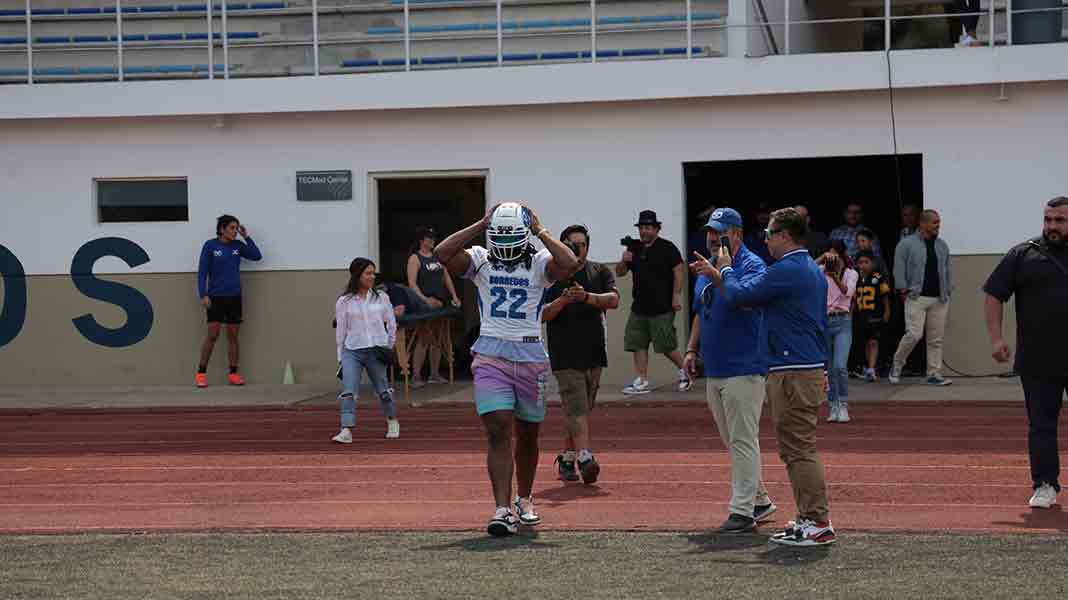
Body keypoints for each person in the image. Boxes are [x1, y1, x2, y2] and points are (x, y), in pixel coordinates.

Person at [435, 202, 579, 537]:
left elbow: (570, 264)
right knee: (498, 428)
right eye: (497, 235)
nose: (504, 243)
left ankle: (524, 499)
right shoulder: (481, 259)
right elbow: (443, 253)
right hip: (491, 352)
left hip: (530, 354)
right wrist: (482, 222)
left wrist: (540, 230)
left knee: (528, 435)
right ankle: (501, 509)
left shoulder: (541, 261)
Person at [700, 206, 836, 546]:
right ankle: (807, 517)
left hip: (793, 370)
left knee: (799, 449)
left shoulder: (787, 269)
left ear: (785, 236)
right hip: (796, 367)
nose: (766, 240)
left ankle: (817, 521)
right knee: (795, 449)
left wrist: (726, 269)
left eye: (770, 234)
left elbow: (739, 295)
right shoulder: (804, 269)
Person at [685, 208, 778, 533]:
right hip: (718, 367)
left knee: (742, 439)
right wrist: (691, 349)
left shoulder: (752, 265)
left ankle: (742, 511)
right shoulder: (706, 267)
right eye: (711, 231)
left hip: (744, 365)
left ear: (737, 233)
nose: (713, 237)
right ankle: (760, 500)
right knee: (733, 440)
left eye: (720, 232)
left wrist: (719, 274)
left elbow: (745, 300)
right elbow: (700, 310)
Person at [983, 197, 1068, 509]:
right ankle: (1045, 484)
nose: (1052, 226)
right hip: (1037, 359)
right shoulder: (1022, 254)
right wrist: (996, 339)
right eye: (1048, 220)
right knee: (1041, 425)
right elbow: (993, 295)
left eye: (1059, 220)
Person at [542, 225, 620, 485]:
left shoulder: (599, 271)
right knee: (576, 407)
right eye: (572, 245)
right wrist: (563, 300)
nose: (578, 249)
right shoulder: (550, 275)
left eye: (582, 245)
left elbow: (614, 300)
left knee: (581, 409)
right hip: (564, 354)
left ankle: (566, 457)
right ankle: (585, 458)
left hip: (594, 351)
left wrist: (586, 297)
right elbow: (541, 314)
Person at [616, 210, 691, 395]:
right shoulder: (634, 247)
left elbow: (679, 271)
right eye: (641, 227)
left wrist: (676, 295)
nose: (644, 231)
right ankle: (641, 379)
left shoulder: (667, 248)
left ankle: (686, 372)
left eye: (648, 227)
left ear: (657, 229)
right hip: (639, 306)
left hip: (662, 307)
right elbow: (619, 272)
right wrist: (623, 261)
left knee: (666, 345)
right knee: (637, 342)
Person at [332, 257, 401, 443]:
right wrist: (341, 356)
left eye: (373, 273)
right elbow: (341, 330)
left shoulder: (382, 298)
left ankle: (392, 420)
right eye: (368, 273)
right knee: (349, 391)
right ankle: (346, 429)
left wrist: (389, 346)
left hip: (376, 350)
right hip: (352, 350)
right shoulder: (344, 301)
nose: (372, 277)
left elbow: (392, 324)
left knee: (384, 390)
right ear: (357, 275)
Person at [195, 215, 262, 388]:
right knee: (213, 334)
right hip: (215, 297)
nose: (235, 232)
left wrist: (246, 236)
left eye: (236, 228)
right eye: (232, 228)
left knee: (233, 335)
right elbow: (202, 272)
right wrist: (203, 294)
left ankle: (233, 373)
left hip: (234, 297)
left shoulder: (238, 246)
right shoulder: (210, 245)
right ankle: (201, 373)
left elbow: (256, 256)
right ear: (222, 229)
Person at [889, 209, 953, 386]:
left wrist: (948, 290)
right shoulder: (906, 244)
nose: (938, 226)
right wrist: (902, 289)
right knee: (914, 334)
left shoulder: (942, 245)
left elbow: (947, 269)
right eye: (935, 222)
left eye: (938, 222)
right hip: (916, 297)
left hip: (939, 299)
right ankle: (896, 364)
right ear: (923, 224)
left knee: (936, 338)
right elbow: (899, 267)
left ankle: (934, 373)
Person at [406, 226, 462, 388]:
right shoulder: (415, 259)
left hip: (440, 303)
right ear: (421, 241)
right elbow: (412, 284)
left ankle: (434, 374)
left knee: (438, 339)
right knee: (424, 339)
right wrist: (424, 300)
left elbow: (446, 277)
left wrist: (454, 296)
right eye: (428, 238)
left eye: (433, 238)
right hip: (424, 306)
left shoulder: (437, 257)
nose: (432, 241)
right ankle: (416, 376)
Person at [816, 240, 858, 423]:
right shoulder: (821, 272)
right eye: (830, 257)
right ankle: (832, 404)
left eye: (835, 257)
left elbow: (847, 292)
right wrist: (822, 259)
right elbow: (806, 268)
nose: (832, 260)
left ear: (842, 256)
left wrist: (834, 276)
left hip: (842, 321)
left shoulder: (851, 273)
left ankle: (843, 403)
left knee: (840, 366)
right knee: (830, 369)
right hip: (825, 320)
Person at [853, 250, 892, 383]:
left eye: (866, 262)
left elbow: (885, 296)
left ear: (873, 263)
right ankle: (866, 366)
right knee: (864, 342)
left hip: (874, 314)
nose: (863, 265)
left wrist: (887, 311)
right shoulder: (856, 278)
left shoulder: (877, 277)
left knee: (873, 341)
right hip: (861, 315)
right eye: (860, 262)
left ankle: (871, 368)